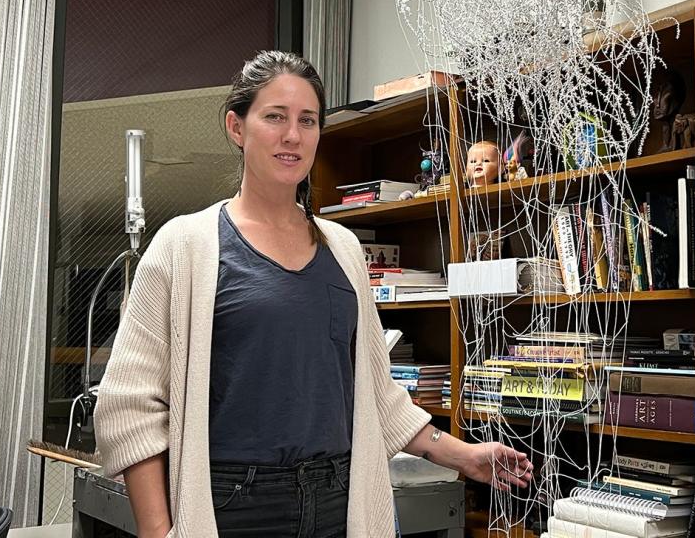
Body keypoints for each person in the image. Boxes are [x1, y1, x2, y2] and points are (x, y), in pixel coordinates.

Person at [94, 51, 533, 538]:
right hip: (230, 504)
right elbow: (130, 406)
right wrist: (159, 533)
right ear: (236, 128)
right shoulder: (184, 245)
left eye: (307, 120)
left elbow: (375, 396)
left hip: (337, 501)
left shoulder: (344, 248)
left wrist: (466, 456)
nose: (292, 136)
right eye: (275, 117)